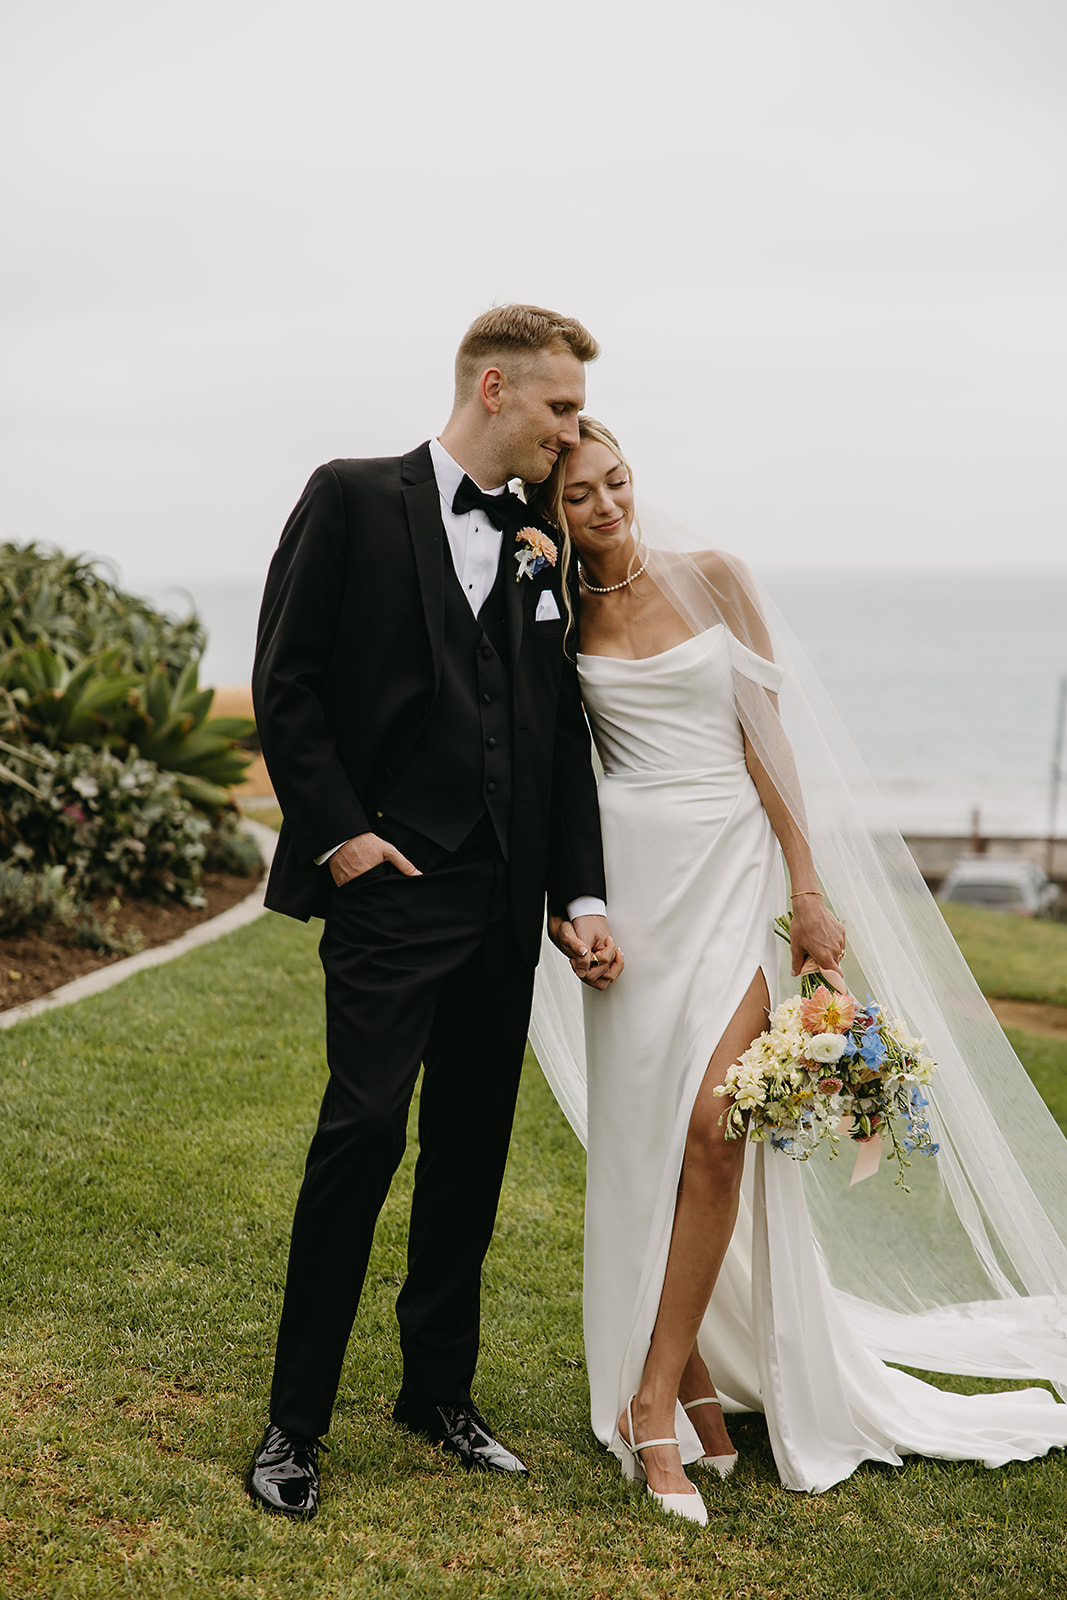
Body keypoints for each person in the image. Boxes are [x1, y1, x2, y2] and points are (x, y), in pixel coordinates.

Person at [527, 418, 1067, 1522]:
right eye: (578, 494)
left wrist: (807, 885)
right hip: (631, 892)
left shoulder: (715, 576)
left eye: (617, 481)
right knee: (641, 1146)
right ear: (553, 508)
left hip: (728, 872)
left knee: (718, 1127)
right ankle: (694, 1390)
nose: (607, 505)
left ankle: (646, 1403)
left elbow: (764, 735)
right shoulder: (555, 613)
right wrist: (565, 906)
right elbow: (543, 762)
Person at [247, 308, 623, 1520]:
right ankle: (291, 1423)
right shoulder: (353, 497)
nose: (572, 435)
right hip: (390, 888)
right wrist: (343, 834)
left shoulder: (535, 542)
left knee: (469, 1148)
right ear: (496, 387)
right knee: (360, 1133)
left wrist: (576, 890)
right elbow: (286, 681)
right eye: (560, 411)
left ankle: (437, 1393)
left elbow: (556, 731)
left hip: (505, 898)